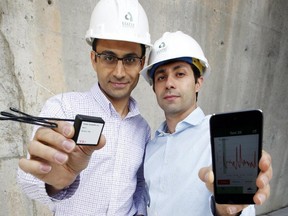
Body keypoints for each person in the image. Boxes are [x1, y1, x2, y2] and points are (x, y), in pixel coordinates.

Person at [17, 0, 152, 215]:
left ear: (141, 64)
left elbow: (138, 189)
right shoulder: (63, 108)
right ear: (93, 59)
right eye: (108, 57)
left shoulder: (142, 128)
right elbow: (29, 178)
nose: (119, 72)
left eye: (130, 59)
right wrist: (57, 182)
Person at [140, 31, 272, 216]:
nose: (169, 83)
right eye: (161, 77)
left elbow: (240, 209)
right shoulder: (151, 147)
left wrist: (226, 211)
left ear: (198, 83)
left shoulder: (220, 138)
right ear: (154, 87)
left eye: (179, 74)